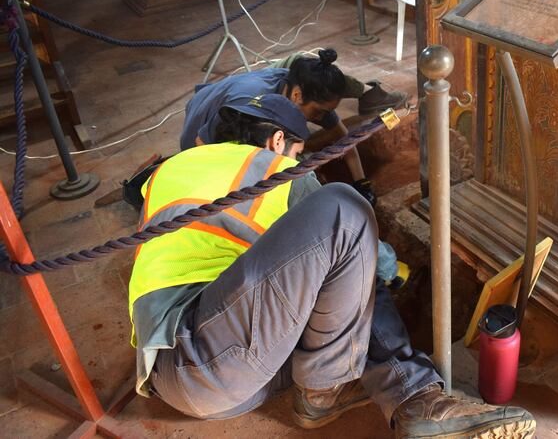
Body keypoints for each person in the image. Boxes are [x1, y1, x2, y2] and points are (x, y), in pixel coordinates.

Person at [129, 94, 536, 438]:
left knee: (339, 267)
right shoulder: (274, 169)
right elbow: (362, 250)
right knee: (344, 210)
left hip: (189, 376)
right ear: (276, 141)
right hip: (207, 353)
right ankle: (399, 397)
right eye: (297, 152)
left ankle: (363, 396)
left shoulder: (168, 171)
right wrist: (392, 273)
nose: (298, 160)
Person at [181, 48, 403, 206]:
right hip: (203, 117)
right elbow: (202, 146)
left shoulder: (309, 92)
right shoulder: (247, 108)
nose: (322, 117)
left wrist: (360, 182)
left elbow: (344, 142)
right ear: (297, 95)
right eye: (319, 112)